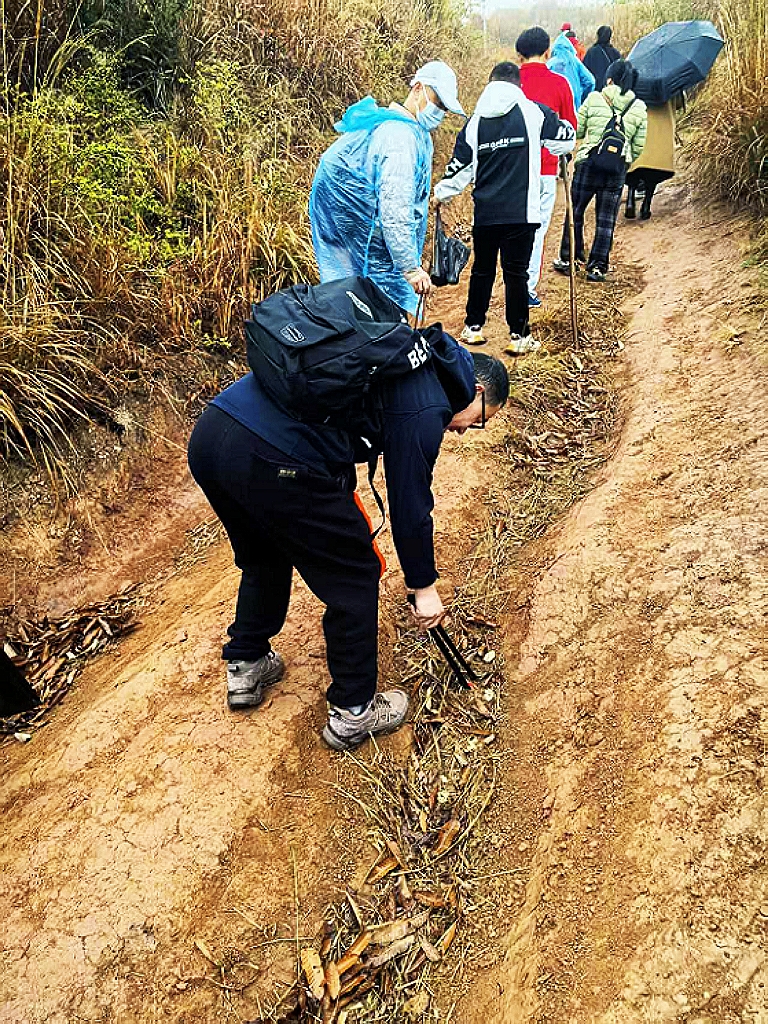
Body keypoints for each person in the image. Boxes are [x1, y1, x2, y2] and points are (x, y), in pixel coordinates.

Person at [187, 323, 510, 751]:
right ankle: (353, 712)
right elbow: (411, 505)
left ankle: (246, 661)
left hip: (213, 434)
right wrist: (423, 587)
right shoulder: (428, 405)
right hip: (275, 455)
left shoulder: (409, 356)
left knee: (264, 553)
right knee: (355, 573)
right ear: (476, 390)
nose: (466, 430)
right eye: (480, 419)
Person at [432, 62, 575, 356]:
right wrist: (565, 136)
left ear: (490, 84)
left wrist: (439, 194)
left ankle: (473, 327)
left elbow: (459, 170)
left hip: (485, 214)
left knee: (482, 270)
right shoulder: (533, 112)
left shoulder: (474, 123)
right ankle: (519, 336)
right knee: (516, 273)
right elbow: (564, 139)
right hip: (522, 213)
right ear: (518, 85)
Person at [309, 62, 465, 315]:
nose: (439, 112)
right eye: (437, 102)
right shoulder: (399, 138)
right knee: (374, 309)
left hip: (359, 236)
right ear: (417, 88)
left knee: (351, 303)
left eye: (444, 108)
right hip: (367, 240)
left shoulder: (406, 129)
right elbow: (395, 207)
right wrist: (410, 268)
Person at [553, 59, 647, 282]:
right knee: (606, 220)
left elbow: (578, 130)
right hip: (616, 169)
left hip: (588, 163)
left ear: (610, 79)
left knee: (575, 211)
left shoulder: (595, 98)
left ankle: (570, 258)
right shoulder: (639, 107)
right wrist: (624, 161)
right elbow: (638, 146)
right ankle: (598, 267)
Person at [516, 26, 577, 309]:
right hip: (545, 169)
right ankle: (526, 289)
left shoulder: (510, 83)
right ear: (547, 52)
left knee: (511, 228)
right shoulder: (560, 84)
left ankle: (511, 281)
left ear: (519, 55)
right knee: (537, 229)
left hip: (511, 169)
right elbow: (569, 128)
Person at [625, 100, 675, 220]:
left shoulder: (635, 87)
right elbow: (678, 102)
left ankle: (630, 199)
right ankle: (646, 206)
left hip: (638, 123)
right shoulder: (666, 88)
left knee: (634, 166)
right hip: (661, 126)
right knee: (654, 170)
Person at [548, 33, 595, 108]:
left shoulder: (550, 63)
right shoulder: (575, 61)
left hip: (555, 105)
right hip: (574, 103)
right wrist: (581, 96)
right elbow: (590, 81)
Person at [583, 26, 622, 90]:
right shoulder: (615, 53)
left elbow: (585, 72)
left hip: (595, 89)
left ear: (598, 36)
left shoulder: (591, 52)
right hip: (611, 90)